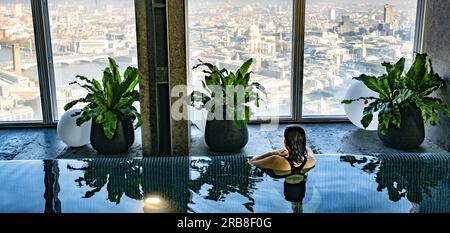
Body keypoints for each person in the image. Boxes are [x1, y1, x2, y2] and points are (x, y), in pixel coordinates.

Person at [249, 126, 316, 173]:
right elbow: (308, 149)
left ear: (285, 142)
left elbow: (250, 163)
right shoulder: (311, 161)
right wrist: (295, 149)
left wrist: (271, 153)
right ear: (304, 142)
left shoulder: (276, 160)